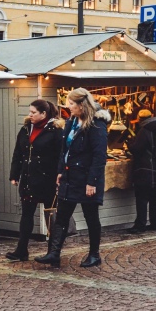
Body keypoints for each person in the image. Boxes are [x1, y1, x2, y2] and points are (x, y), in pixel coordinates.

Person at [35, 88, 110, 269]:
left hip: (86, 179)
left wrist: (92, 182)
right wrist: (61, 171)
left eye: (71, 103)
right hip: (70, 177)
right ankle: (54, 253)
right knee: (61, 216)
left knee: (91, 217)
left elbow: (99, 156)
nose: (68, 106)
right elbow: (65, 150)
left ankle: (94, 254)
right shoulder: (71, 122)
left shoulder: (96, 125)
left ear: (82, 105)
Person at [7, 99, 64, 261]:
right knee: (26, 214)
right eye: (30, 112)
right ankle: (21, 250)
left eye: (33, 112)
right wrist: (14, 174)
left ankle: (53, 252)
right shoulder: (25, 129)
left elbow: (61, 155)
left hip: (48, 180)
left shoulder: (56, 131)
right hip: (28, 178)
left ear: (43, 114)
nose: (30, 115)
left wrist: (61, 175)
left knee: (51, 215)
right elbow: (18, 153)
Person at [127, 109, 156, 234]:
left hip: (146, 170)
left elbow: (137, 149)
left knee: (141, 198)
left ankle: (140, 225)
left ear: (141, 119)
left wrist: (130, 143)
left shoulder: (144, 131)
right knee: (155, 199)